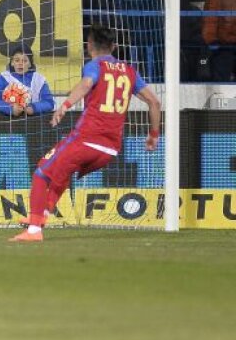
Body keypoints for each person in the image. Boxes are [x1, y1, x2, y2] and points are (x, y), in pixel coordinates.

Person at [11, 24, 161, 242]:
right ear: (114, 46)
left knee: (42, 172)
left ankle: (34, 231)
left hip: (86, 140)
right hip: (110, 149)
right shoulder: (130, 71)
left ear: (89, 46)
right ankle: (43, 213)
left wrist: (65, 105)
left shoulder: (95, 66)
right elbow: (154, 102)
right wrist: (154, 135)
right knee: (63, 171)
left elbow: (86, 83)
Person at [0, 44, 55, 117]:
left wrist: (34, 108)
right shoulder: (3, 78)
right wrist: (10, 108)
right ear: (12, 62)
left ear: (30, 64)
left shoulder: (39, 79)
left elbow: (49, 103)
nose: (20, 63)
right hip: (7, 122)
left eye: (25, 61)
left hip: (33, 122)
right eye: (17, 60)